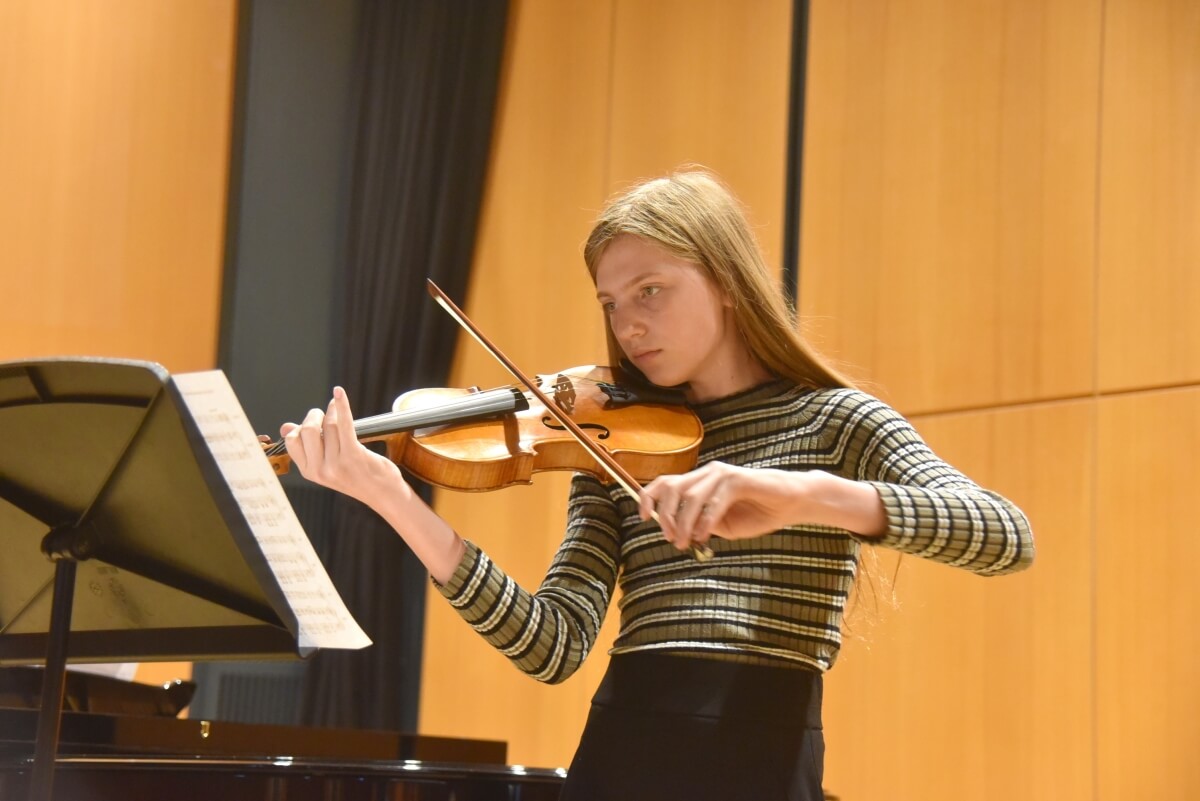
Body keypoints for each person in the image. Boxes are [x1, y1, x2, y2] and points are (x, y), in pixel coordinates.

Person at [280, 169, 1034, 801]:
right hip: (622, 748)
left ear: (728, 281)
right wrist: (394, 497)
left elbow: (1004, 535)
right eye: (612, 303)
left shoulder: (835, 422)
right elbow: (553, 645)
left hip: (762, 756)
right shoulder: (619, 440)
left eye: (650, 290)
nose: (628, 324)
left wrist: (805, 494)